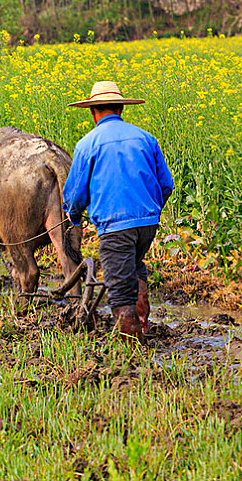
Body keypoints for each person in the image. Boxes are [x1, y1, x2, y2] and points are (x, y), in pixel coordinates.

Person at [62, 81, 174, 344]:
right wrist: (150, 210)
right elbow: (166, 184)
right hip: (147, 224)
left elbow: (75, 195)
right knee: (134, 266)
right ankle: (143, 326)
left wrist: (73, 216)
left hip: (115, 228)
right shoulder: (145, 138)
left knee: (120, 291)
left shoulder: (88, 144)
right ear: (121, 108)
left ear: (93, 112)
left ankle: (131, 348)